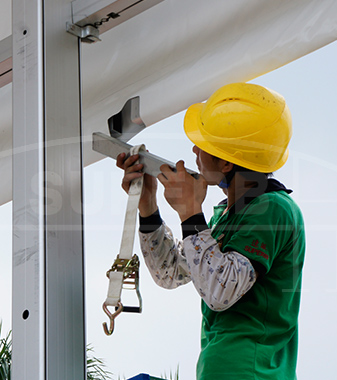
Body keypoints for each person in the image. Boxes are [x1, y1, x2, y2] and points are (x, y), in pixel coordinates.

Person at [116, 82, 306, 380]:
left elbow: (220, 291)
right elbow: (170, 273)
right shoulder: (228, 216)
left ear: (226, 162)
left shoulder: (273, 209)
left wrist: (190, 213)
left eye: (203, 144)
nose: (194, 149)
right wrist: (148, 205)